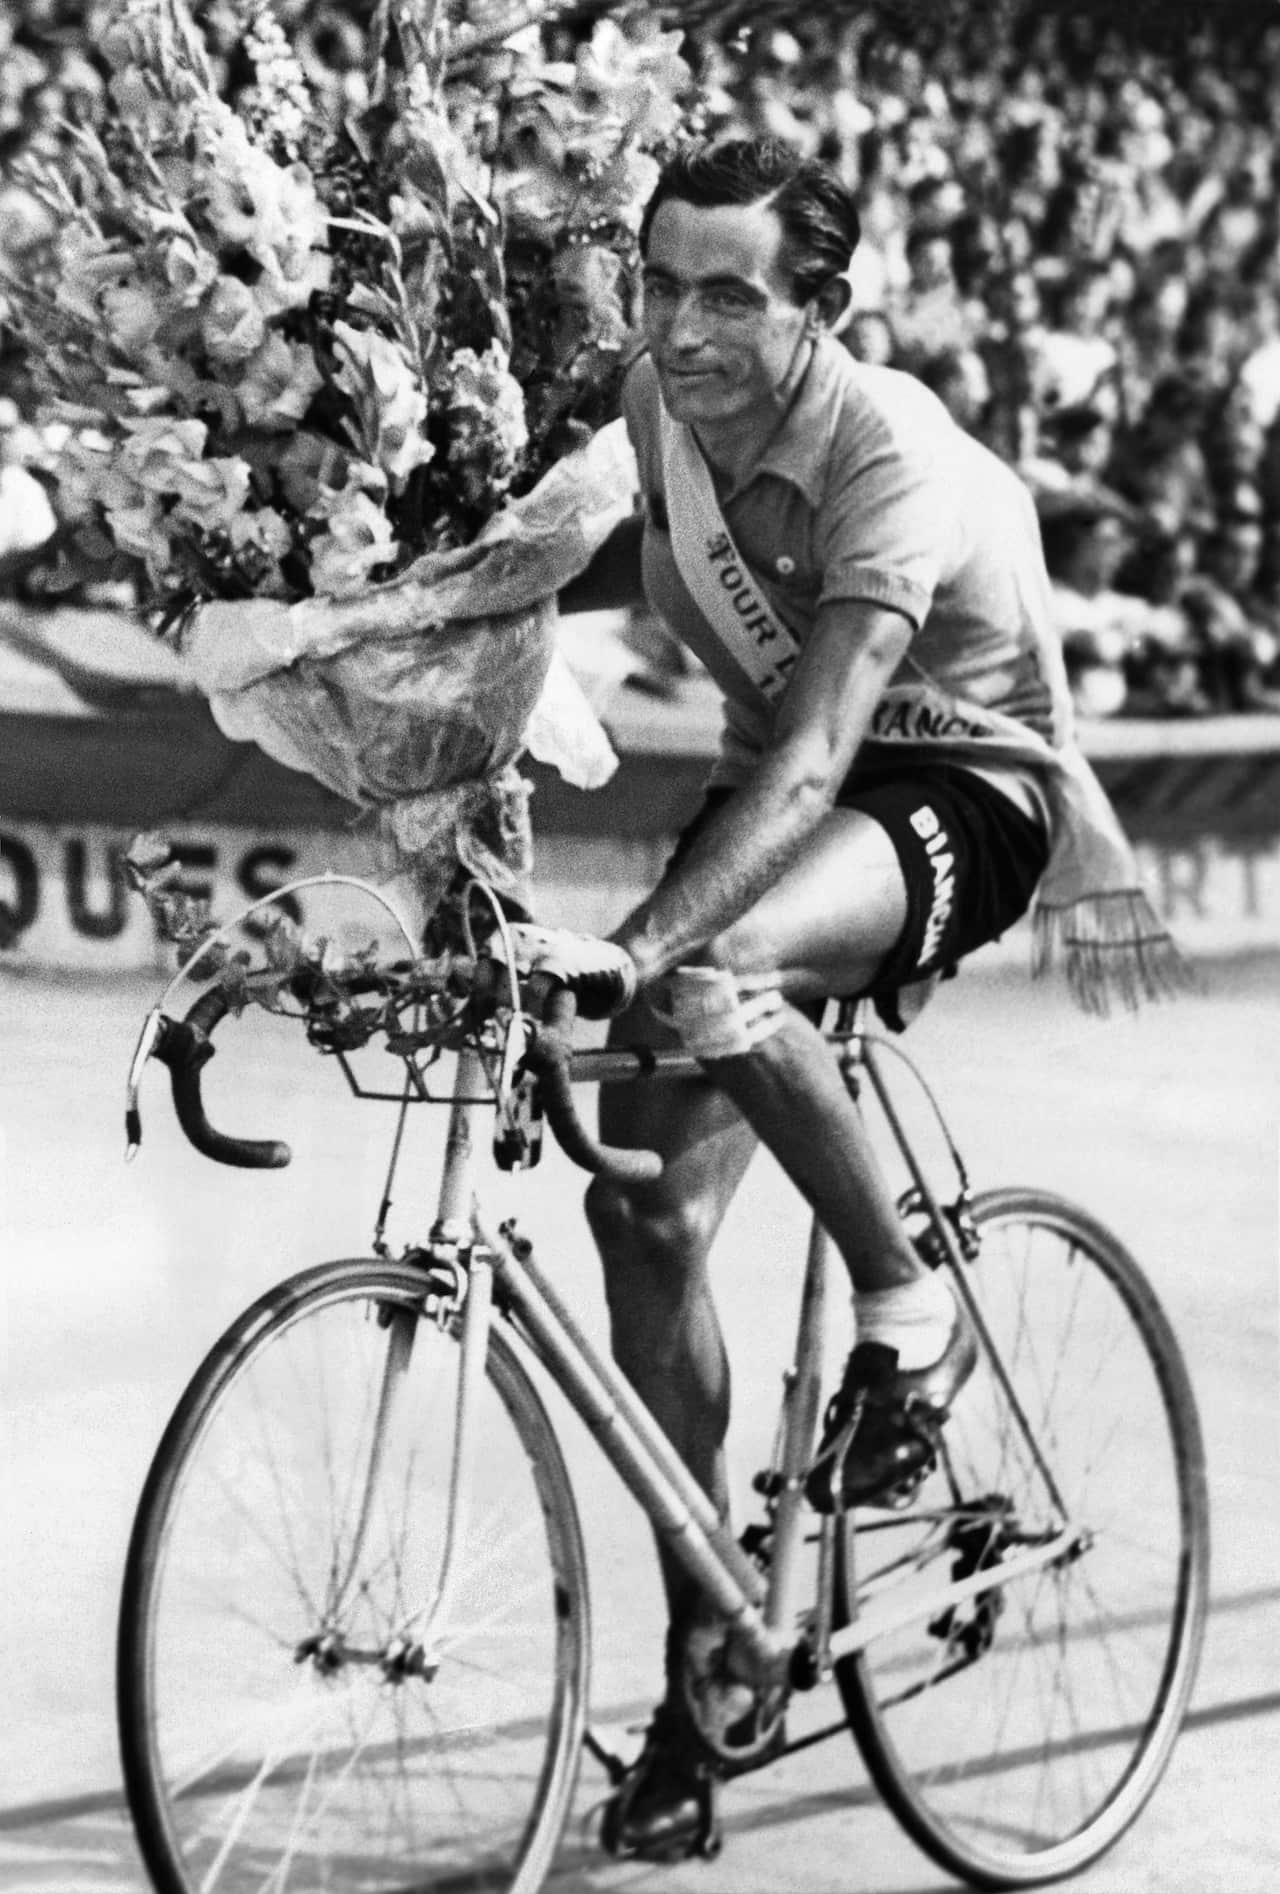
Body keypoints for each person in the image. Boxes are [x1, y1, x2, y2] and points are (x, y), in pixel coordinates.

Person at [544, 135, 1180, 1864]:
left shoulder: (881, 444)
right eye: (660, 283)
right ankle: (710, 1663)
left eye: (729, 294)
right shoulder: (662, 400)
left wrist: (646, 941)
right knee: (647, 1225)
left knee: (715, 967)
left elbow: (830, 739)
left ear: (825, 309)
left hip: (956, 786)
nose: (678, 326)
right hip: (794, 802)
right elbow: (616, 564)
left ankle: (910, 1306)